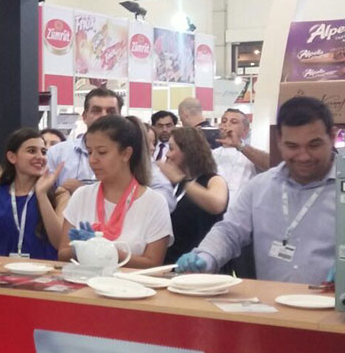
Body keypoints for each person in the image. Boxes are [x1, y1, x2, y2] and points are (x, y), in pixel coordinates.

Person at [176, 97, 338, 284]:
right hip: (271, 300)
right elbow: (229, 232)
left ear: (332, 136)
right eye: (292, 146)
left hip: (334, 301)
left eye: (314, 145)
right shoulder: (260, 187)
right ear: (279, 141)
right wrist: (206, 257)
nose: (303, 156)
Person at [58, 116, 173, 268]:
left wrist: (108, 251)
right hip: (84, 282)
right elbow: (62, 253)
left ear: (126, 154)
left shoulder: (154, 202)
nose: (92, 160)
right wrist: (80, 249)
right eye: (89, 152)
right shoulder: (82, 195)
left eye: (102, 152)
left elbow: (153, 263)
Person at [47, 88, 176, 213]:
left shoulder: (132, 153)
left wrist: (89, 193)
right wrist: (61, 194)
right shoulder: (58, 153)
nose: (104, 116)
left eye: (111, 111)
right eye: (96, 111)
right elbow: (44, 198)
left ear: (120, 117)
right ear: (85, 116)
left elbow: (166, 200)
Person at [0, 128, 64, 261]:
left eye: (43, 152)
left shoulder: (59, 195)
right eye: (31, 151)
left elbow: (60, 243)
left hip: (43, 271)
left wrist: (42, 195)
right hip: (1, 271)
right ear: (12, 157)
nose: (40, 157)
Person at [156, 128, 228, 264]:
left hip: (199, 263)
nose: (167, 155)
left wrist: (181, 180)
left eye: (171, 149)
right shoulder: (174, 186)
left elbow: (217, 205)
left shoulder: (213, 180)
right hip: (170, 262)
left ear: (187, 151)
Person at [212, 108, 269, 202]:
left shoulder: (251, 155)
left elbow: (272, 164)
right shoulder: (211, 154)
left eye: (233, 122)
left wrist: (239, 145)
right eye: (224, 121)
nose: (227, 124)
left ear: (245, 130)